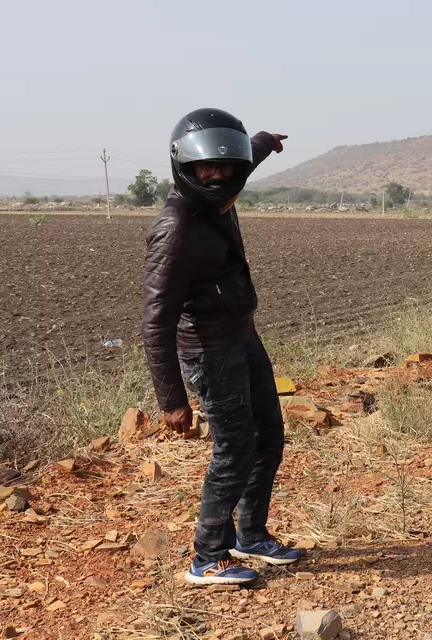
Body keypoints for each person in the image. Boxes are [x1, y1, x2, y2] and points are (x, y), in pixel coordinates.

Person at [142, 108, 302, 586]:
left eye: (225, 165)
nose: (216, 174)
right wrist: (171, 400)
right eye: (204, 167)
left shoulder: (221, 196)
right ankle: (208, 555)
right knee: (234, 449)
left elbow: (239, 161)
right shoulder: (177, 229)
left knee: (268, 439)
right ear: (184, 167)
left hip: (244, 338)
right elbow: (155, 321)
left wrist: (261, 141)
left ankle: (249, 535)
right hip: (210, 351)